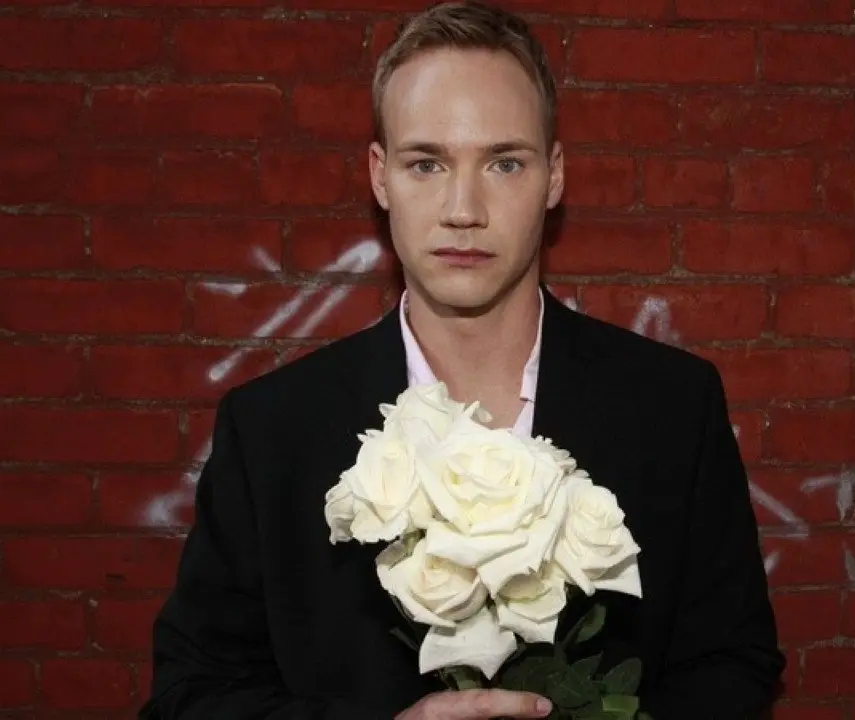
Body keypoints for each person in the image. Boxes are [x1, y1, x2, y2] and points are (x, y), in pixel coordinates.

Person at [139, 2, 784, 718]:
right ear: (381, 178)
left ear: (555, 176)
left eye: (504, 162)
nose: (463, 209)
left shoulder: (673, 407)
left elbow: (733, 664)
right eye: (427, 163)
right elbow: (188, 696)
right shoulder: (271, 431)